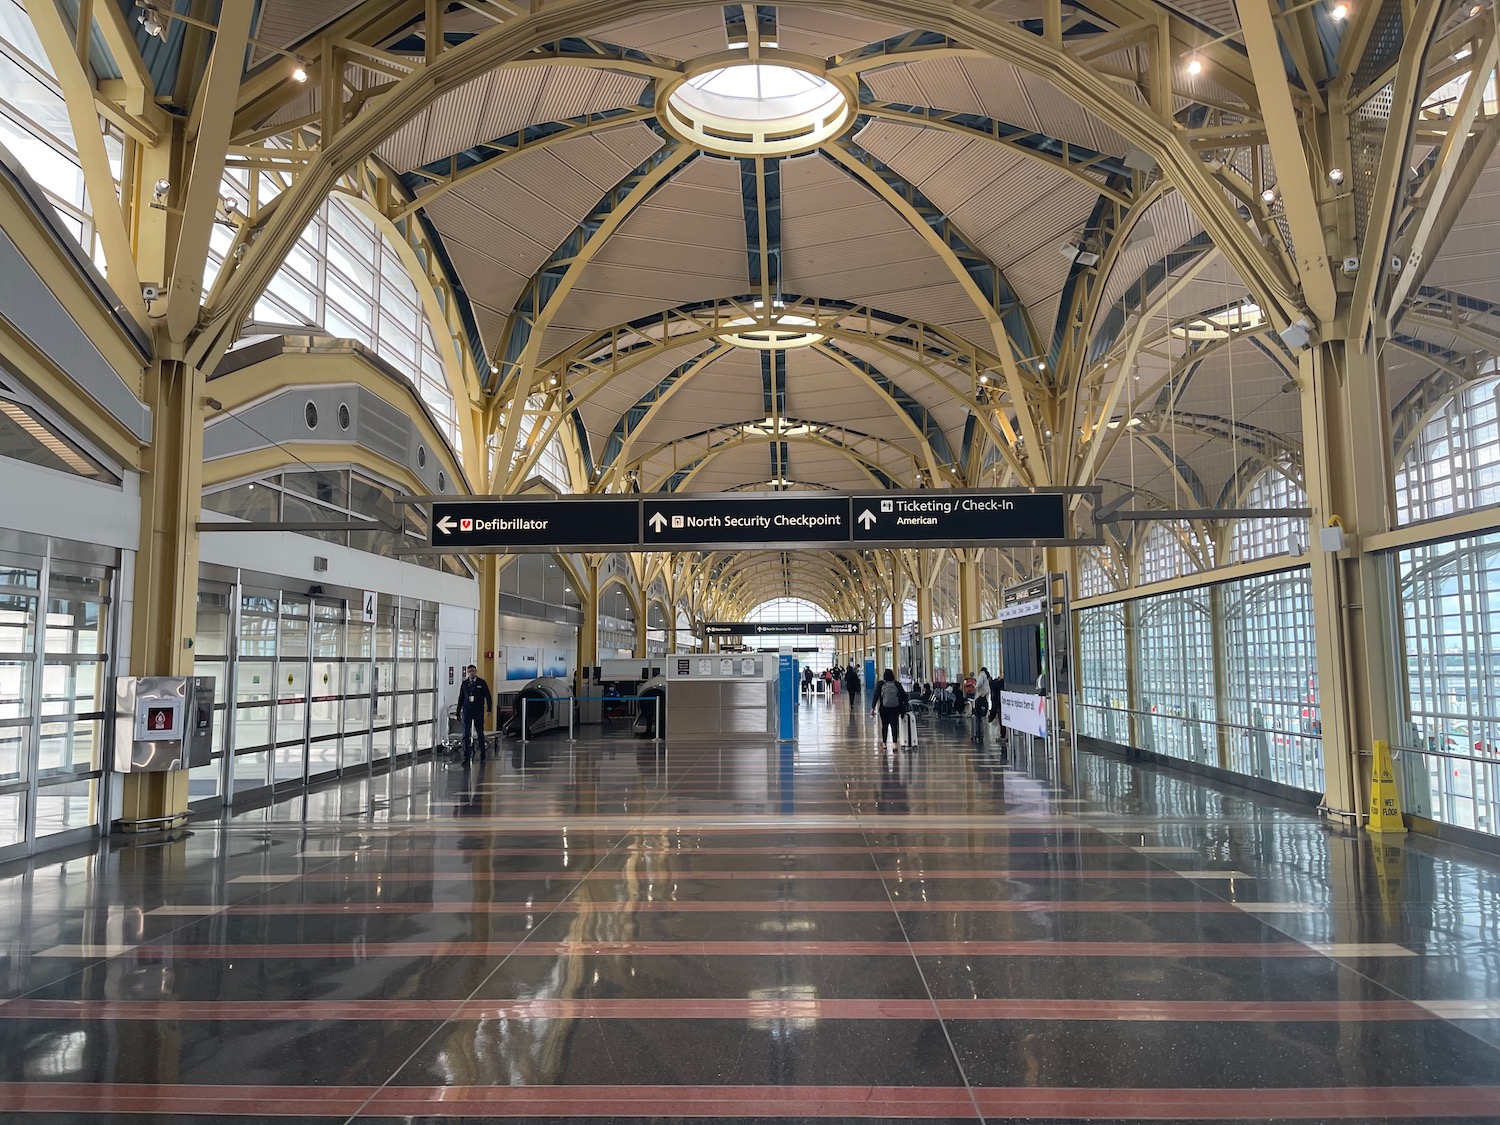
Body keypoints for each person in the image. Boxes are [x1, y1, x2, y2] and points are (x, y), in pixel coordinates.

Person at [458, 663, 492, 766]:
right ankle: (466, 756)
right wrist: (458, 712)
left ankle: (482, 753)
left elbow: (488, 697)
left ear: (476, 672)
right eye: (469, 671)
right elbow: (461, 698)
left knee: (479, 732)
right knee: (466, 734)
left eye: (473, 671)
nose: (471, 673)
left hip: (478, 711)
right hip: (467, 711)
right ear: (467, 673)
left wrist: (489, 710)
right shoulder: (464, 684)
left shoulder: (481, 683)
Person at [871, 668, 908, 749]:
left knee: (885, 725)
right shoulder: (897, 684)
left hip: (883, 708)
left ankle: (884, 743)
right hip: (895, 708)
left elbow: (876, 696)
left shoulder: (880, 684)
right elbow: (904, 695)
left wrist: (872, 708)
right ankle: (894, 744)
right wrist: (904, 706)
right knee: (894, 725)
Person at [973, 666, 992, 742]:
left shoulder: (982, 675)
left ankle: (980, 712)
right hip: (987, 690)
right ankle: (986, 713)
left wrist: (976, 686)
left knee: (980, 702)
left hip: (982, 691)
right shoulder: (987, 675)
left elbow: (979, 682)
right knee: (985, 703)